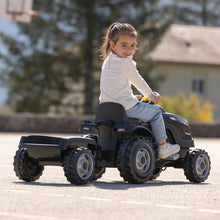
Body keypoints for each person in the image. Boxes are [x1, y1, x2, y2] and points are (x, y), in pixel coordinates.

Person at [99, 22, 180, 159]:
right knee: (156, 113)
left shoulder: (108, 61)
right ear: (113, 45)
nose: (129, 49)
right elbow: (138, 81)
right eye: (124, 45)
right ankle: (163, 146)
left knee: (147, 108)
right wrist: (151, 95)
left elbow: (115, 86)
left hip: (106, 106)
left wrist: (131, 97)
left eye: (133, 45)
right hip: (126, 108)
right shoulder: (126, 63)